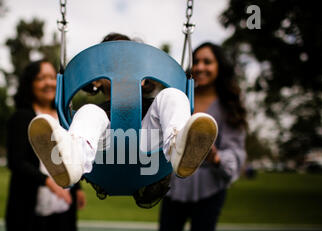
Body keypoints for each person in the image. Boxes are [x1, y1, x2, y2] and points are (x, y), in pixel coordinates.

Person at [28, 33, 218, 208]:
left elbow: (168, 104)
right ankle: (72, 157)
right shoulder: (98, 113)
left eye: (130, 64)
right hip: (106, 148)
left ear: (144, 78)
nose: (121, 69)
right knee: (88, 111)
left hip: (150, 145)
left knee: (173, 95)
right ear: (96, 80)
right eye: (111, 64)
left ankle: (179, 146)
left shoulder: (155, 107)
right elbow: (90, 118)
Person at [157, 42, 247, 231]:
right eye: (196, 61)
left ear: (219, 67)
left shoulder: (229, 105)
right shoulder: (181, 98)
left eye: (207, 62)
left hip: (209, 185)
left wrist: (217, 157)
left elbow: (237, 151)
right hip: (174, 185)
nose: (200, 67)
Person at [5, 60, 86, 231]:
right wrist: (49, 183)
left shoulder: (64, 116)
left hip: (61, 202)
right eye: (41, 78)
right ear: (30, 84)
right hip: (32, 203)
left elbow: (71, 156)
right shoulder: (22, 117)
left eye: (52, 77)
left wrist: (78, 187)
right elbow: (17, 163)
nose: (48, 82)